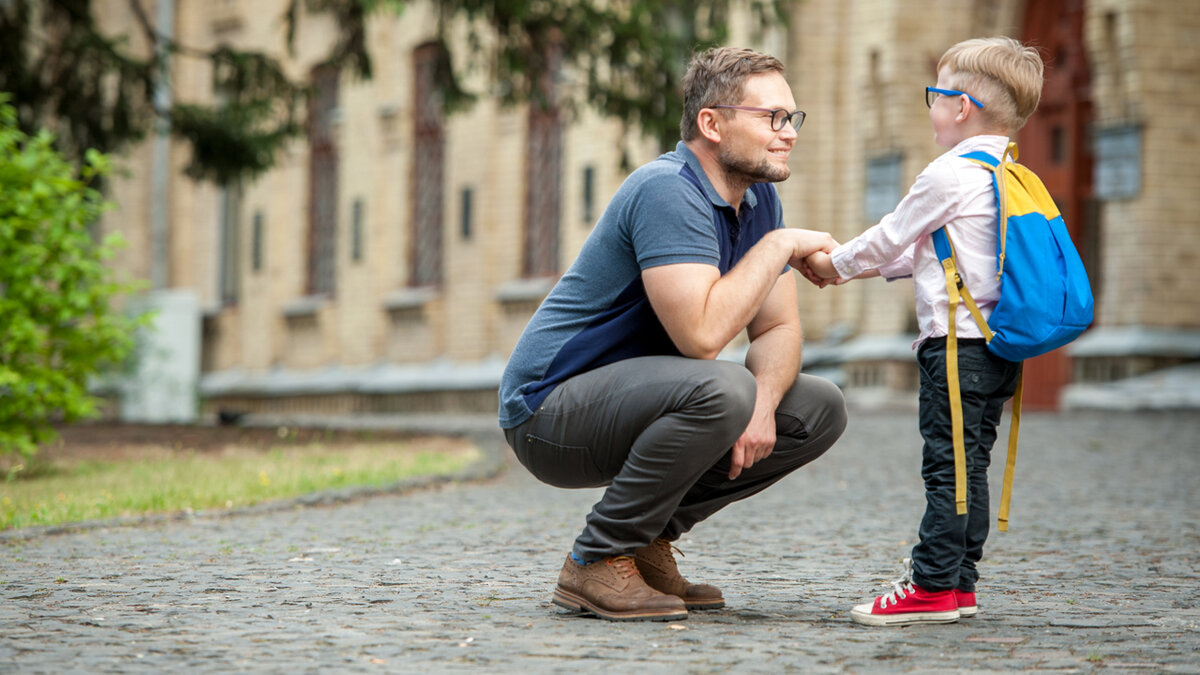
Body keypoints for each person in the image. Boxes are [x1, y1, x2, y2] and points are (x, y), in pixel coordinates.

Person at [498, 46, 848, 622]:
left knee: (816, 407)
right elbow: (703, 337)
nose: (788, 133)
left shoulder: (759, 198)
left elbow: (779, 327)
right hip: (547, 411)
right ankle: (596, 558)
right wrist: (780, 244)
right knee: (722, 389)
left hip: (639, 401)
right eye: (771, 118)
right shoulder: (667, 189)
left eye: (792, 118)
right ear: (711, 123)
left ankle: (646, 542)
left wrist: (764, 406)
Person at [804, 36, 1045, 626]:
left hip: (955, 347)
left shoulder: (948, 174)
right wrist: (853, 266)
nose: (930, 107)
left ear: (960, 106)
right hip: (997, 349)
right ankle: (961, 581)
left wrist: (832, 266)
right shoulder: (1006, 172)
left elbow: (892, 235)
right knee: (971, 465)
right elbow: (929, 251)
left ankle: (932, 584)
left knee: (947, 466)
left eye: (933, 96)